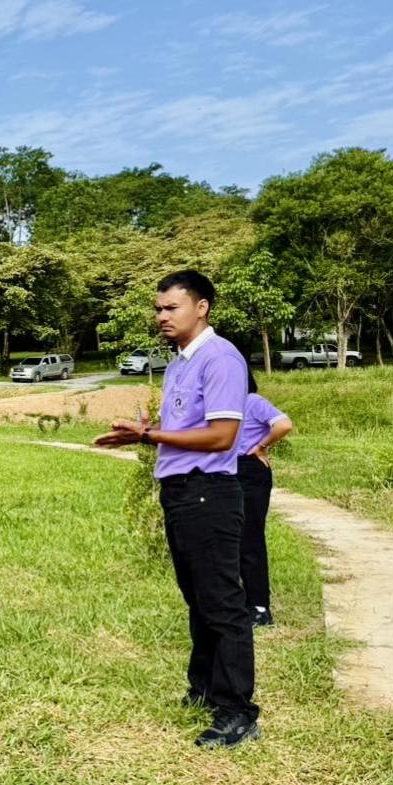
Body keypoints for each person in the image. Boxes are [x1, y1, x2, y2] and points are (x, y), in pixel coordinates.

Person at [95, 270, 259, 749]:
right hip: (181, 492)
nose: (161, 316)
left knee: (224, 604)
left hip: (210, 492)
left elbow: (222, 436)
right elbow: (189, 427)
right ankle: (205, 688)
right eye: (158, 308)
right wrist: (155, 428)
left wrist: (148, 435)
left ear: (202, 307)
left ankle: (238, 712)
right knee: (198, 598)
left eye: (171, 308)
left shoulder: (220, 358)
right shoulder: (178, 364)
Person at [238, 372, 293, 628]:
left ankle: (259, 606)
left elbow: (283, 424)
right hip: (224, 470)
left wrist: (261, 445)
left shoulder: (252, 401)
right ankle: (239, 600)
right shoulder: (217, 405)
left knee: (250, 538)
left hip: (249, 470)